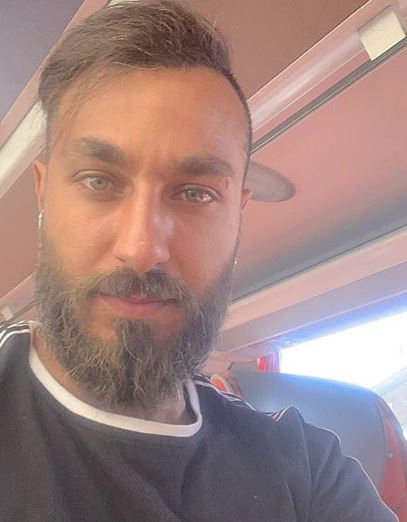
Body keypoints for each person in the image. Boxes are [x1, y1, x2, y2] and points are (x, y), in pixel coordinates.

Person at [0, 1, 398, 521]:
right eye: (98, 181)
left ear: (238, 215)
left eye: (195, 193)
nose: (142, 248)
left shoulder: (309, 471)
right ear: (43, 192)